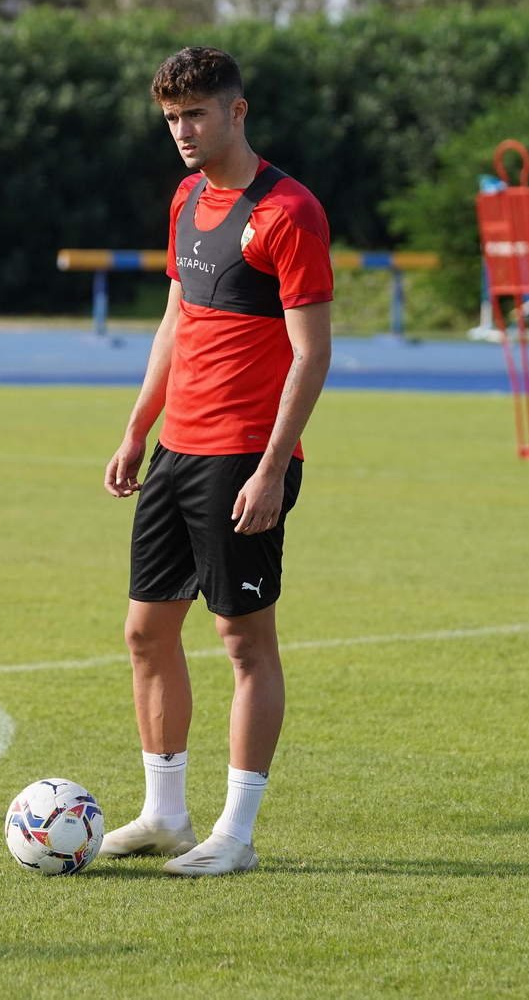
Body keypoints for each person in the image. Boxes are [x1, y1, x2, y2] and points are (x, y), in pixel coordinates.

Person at [101, 46, 334, 876]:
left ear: (237, 111)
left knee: (243, 641)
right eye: (171, 118)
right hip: (177, 450)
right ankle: (165, 817)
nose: (182, 131)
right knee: (145, 632)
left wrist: (271, 469)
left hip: (243, 459)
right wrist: (139, 428)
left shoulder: (290, 213)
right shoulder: (185, 198)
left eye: (196, 114)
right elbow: (176, 320)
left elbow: (311, 354)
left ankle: (234, 834)